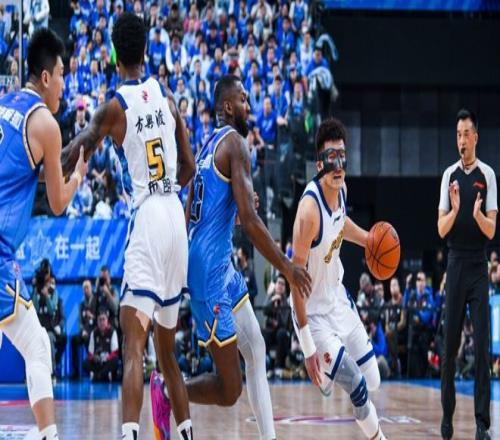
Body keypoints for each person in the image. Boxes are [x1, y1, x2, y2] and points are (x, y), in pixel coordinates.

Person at [152, 75, 311, 440]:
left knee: (256, 347)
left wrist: (235, 209)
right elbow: (251, 223)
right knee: (229, 390)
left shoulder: (209, 146)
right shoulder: (236, 144)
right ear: (227, 106)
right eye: (242, 99)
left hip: (218, 264)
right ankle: (169, 391)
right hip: (209, 273)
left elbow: (198, 212)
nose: (248, 106)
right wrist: (287, 268)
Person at [61, 13, 195, 440]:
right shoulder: (167, 97)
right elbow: (189, 167)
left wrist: (40, 164)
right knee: (168, 354)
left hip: (149, 213)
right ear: (147, 50)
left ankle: (130, 435)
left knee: (133, 345)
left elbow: (77, 149)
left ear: (115, 55)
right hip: (174, 214)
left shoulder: (114, 107)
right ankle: (187, 434)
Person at [0, 28, 87, 440]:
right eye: (63, 74)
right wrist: (77, 176)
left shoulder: (4, 103)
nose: (65, 84)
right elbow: (57, 203)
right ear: (47, 76)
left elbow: (16, 169)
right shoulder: (46, 125)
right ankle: (50, 435)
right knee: (37, 344)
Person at [290, 118, 386, 440]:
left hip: (337, 299)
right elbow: (294, 281)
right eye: (331, 157)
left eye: (342, 156)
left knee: (373, 380)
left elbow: (341, 223)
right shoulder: (308, 212)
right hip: (312, 312)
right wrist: (307, 348)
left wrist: (369, 239)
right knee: (357, 385)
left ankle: (330, 372)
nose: (338, 164)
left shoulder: (341, 190)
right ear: (319, 164)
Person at [437, 109, 497, 440]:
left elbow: (491, 230)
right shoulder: (449, 176)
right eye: (458, 134)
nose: (461, 140)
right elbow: (441, 228)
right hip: (456, 262)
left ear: (476, 137)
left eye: (466, 134)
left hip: (478, 265)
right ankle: (447, 418)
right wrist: (458, 210)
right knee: (449, 348)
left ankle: (482, 425)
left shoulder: (487, 175)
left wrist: (476, 215)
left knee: (483, 348)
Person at [85, 309, 119, 382]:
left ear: (107, 320)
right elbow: (90, 353)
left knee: (115, 361)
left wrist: (107, 358)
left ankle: (98, 375)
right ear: (97, 321)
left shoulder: (112, 332)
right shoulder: (94, 333)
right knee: (85, 363)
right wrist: (94, 357)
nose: (102, 322)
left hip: (108, 360)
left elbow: (115, 352)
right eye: (100, 320)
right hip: (97, 361)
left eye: (103, 319)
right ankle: (101, 375)